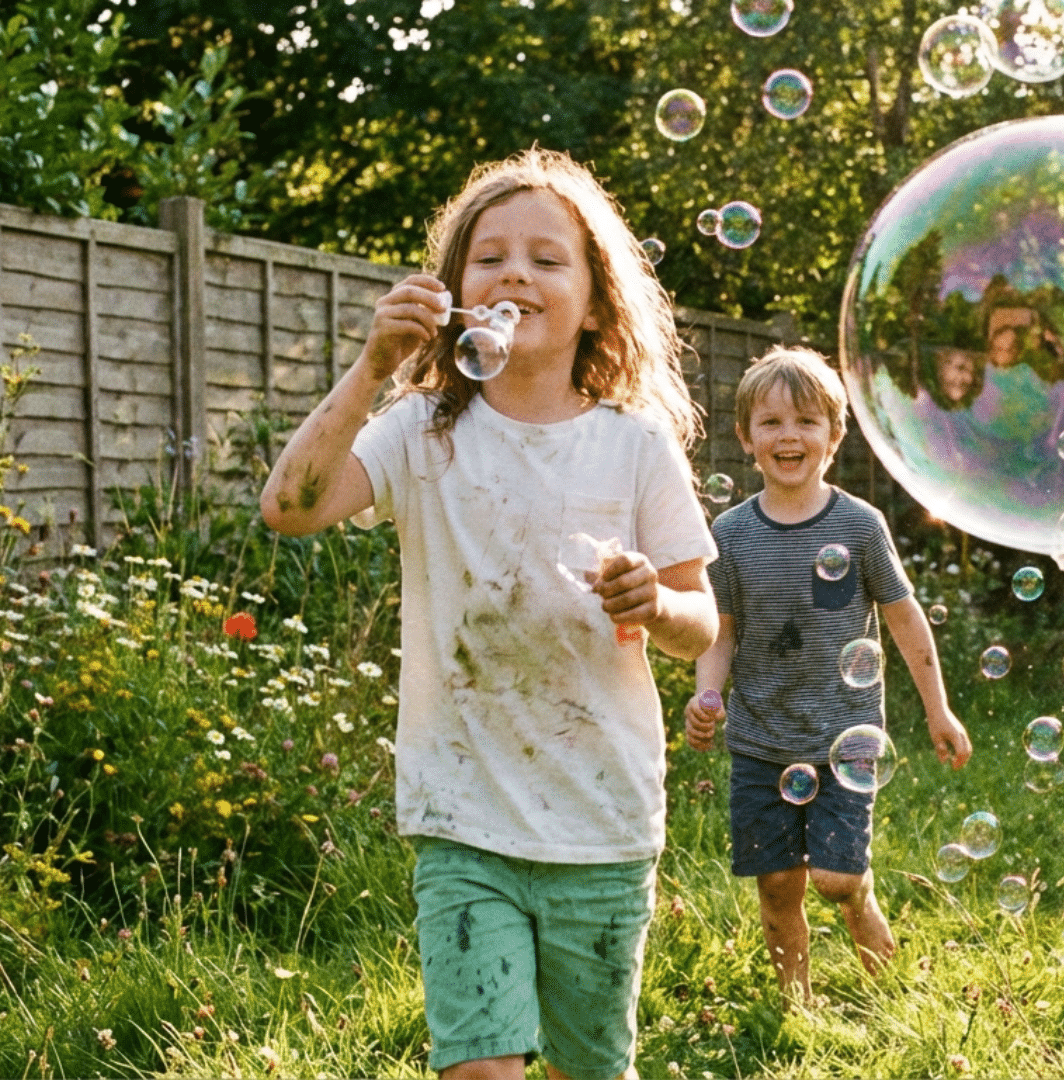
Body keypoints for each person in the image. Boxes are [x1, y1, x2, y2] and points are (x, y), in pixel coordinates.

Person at [259, 148, 720, 1080]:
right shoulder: (422, 431)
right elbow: (290, 507)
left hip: (601, 819)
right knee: (479, 1068)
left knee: (593, 1068)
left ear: (595, 301)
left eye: (548, 260)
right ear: (455, 289)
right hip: (463, 816)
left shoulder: (633, 443)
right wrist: (370, 367)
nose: (516, 272)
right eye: (490, 256)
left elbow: (700, 622)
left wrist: (656, 602)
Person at [682, 346, 972, 1006]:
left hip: (847, 737)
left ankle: (876, 951)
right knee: (779, 889)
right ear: (746, 438)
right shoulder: (728, 534)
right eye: (772, 422)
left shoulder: (859, 526)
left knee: (839, 879)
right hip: (761, 743)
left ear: (834, 437)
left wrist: (938, 709)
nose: (789, 436)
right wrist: (707, 692)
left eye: (807, 422)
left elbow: (903, 621)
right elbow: (720, 631)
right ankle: (797, 1006)